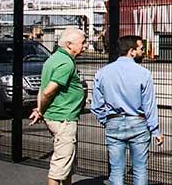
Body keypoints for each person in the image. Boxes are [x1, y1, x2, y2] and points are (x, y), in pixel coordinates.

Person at [90, 36, 164, 185]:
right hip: (138, 123)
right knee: (140, 168)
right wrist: (155, 130)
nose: (143, 52)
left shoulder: (103, 72)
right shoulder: (144, 74)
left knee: (116, 170)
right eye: (141, 49)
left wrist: (107, 120)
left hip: (113, 122)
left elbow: (96, 105)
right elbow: (149, 105)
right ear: (131, 51)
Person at [30, 27, 87, 185]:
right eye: (82, 43)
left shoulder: (53, 59)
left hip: (59, 116)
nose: (85, 46)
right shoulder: (65, 64)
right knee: (60, 167)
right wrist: (40, 110)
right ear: (69, 44)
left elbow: (42, 88)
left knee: (67, 165)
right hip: (63, 119)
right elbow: (48, 91)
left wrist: (39, 109)